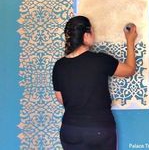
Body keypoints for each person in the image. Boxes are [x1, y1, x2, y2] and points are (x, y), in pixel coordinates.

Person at [52, 15, 137, 150]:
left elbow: (60, 98)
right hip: (99, 129)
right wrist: (130, 40)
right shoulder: (100, 60)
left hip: (70, 130)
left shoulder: (59, 65)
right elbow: (130, 70)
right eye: (92, 31)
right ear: (86, 36)